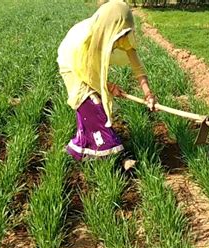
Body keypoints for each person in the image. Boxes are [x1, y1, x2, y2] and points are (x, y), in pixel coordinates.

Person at [57, 0, 156, 161]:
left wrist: (148, 93)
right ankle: (112, 156)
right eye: (121, 33)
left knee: (95, 108)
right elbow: (87, 72)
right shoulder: (88, 40)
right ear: (110, 27)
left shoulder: (121, 33)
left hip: (88, 69)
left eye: (125, 32)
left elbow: (137, 67)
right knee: (92, 104)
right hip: (73, 65)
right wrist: (109, 87)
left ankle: (78, 149)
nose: (123, 37)